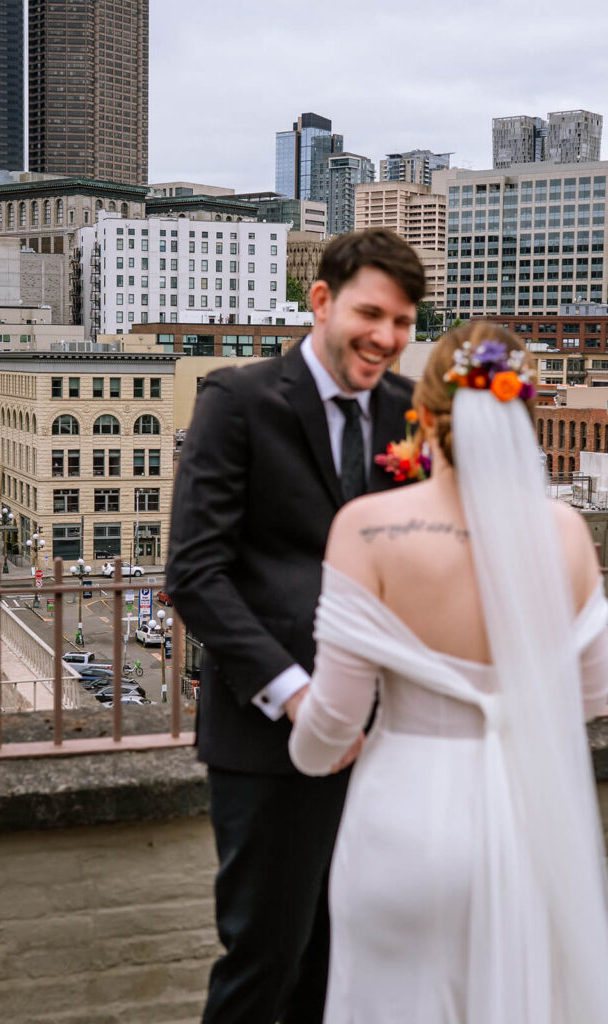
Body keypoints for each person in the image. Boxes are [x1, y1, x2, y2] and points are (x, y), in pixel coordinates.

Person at [289, 322, 608, 1023]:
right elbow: (589, 695)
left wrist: (307, 744)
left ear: (424, 416)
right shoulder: (565, 534)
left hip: (404, 819)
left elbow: (334, 723)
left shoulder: (367, 526)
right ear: (521, 413)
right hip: (528, 826)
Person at [166, 227, 426, 1024]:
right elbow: (195, 573)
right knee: (265, 957)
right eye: (371, 313)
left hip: (382, 743)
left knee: (342, 959)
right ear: (321, 300)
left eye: (405, 322)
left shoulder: (406, 411)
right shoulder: (236, 401)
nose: (387, 337)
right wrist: (297, 696)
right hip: (268, 741)